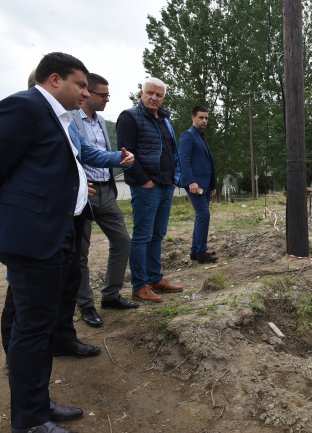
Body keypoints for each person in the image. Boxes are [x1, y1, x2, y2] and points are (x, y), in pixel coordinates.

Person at [0, 51, 91, 433]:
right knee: (34, 327)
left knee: (24, 320)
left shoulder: (56, 117)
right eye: (80, 85)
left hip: (54, 232)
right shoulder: (25, 107)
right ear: (55, 79)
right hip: (33, 237)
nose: (86, 93)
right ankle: (32, 420)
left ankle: (35, 400)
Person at [71, 73, 139, 328]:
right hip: (83, 193)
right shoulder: (71, 120)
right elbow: (84, 155)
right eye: (103, 95)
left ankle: (110, 295)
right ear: (88, 92)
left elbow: (99, 153)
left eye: (108, 95)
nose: (107, 100)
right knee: (81, 253)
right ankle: (86, 305)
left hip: (106, 191)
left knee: (122, 240)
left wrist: (118, 159)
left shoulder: (100, 121)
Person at [116, 77, 184, 303]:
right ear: (141, 93)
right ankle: (139, 285)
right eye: (150, 93)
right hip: (147, 187)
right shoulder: (129, 117)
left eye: (159, 95)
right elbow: (126, 154)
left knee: (158, 235)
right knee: (142, 236)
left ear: (164, 98)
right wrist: (144, 181)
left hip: (165, 186)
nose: (154, 98)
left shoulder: (165, 119)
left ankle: (155, 278)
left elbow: (172, 151)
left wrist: (175, 178)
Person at [178, 106, 217, 264]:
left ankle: (195, 251)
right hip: (195, 185)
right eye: (201, 118)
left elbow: (208, 163)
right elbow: (184, 160)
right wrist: (191, 181)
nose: (204, 121)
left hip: (205, 185)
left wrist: (213, 185)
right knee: (204, 215)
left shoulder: (200, 137)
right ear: (193, 118)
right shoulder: (188, 136)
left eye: (206, 118)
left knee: (201, 216)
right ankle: (201, 252)